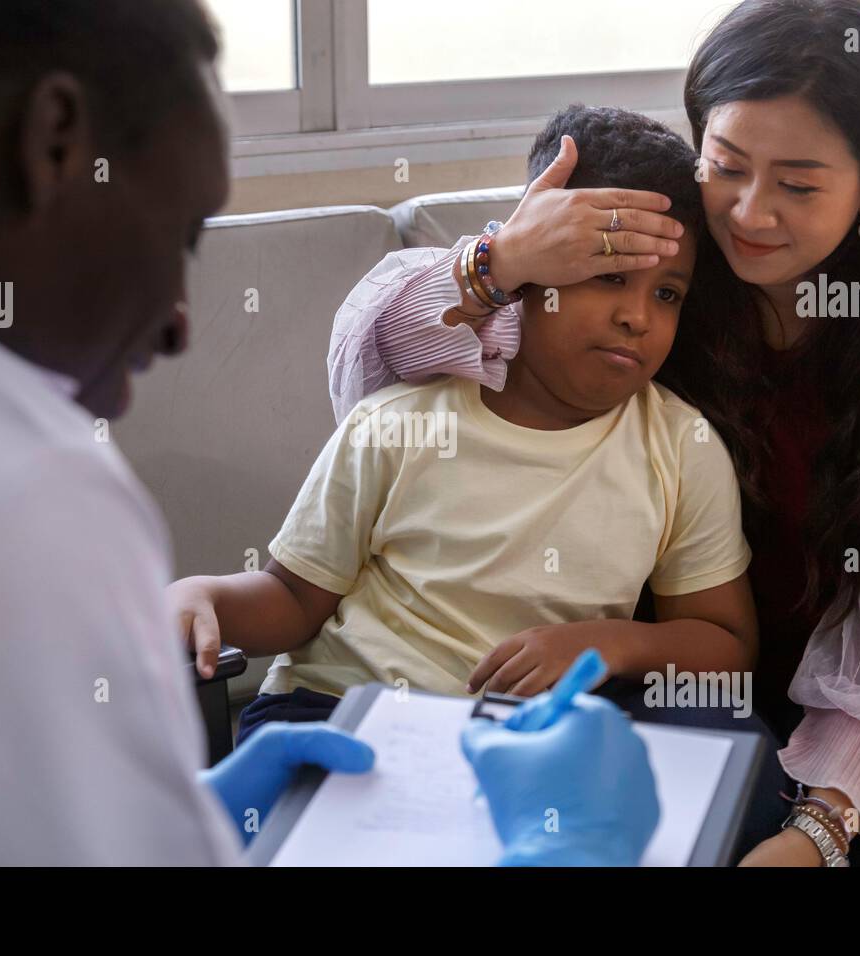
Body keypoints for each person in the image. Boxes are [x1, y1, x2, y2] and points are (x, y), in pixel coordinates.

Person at [0, 0, 656, 867]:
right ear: (56, 141)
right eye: (182, 233)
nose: (180, 322)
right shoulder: (13, 481)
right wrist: (567, 850)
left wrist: (182, 817)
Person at [315, 0, 860, 866]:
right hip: (669, 681)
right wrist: (499, 261)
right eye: (728, 166)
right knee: (705, 806)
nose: (749, 213)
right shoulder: (661, 282)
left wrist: (820, 829)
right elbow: (370, 373)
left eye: (799, 185)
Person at [175, 107, 759, 746]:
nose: (637, 317)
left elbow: (725, 642)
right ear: (535, 266)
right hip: (342, 712)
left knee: (737, 742)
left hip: (527, 739)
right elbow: (290, 602)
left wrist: (606, 645)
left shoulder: (681, 446)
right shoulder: (400, 420)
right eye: (609, 276)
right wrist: (206, 596)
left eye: (667, 294)